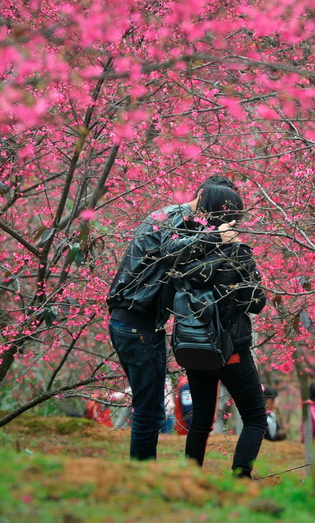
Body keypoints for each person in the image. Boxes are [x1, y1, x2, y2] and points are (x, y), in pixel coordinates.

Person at [107, 175, 240, 460]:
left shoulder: (172, 216)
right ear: (203, 195)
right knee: (149, 410)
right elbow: (170, 252)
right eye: (214, 208)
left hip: (137, 321)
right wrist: (215, 237)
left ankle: (143, 473)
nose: (213, 218)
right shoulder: (176, 215)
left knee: (151, 408)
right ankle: (142, 477)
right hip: (135, 321)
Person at [178, 186, 268, 478]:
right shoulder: (237, 251)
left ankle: (191, 478)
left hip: (194, 346)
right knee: (255, 417)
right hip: (231, 349)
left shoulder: (186, 249)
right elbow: (257, 303)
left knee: (201, 418)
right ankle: (241, 477)